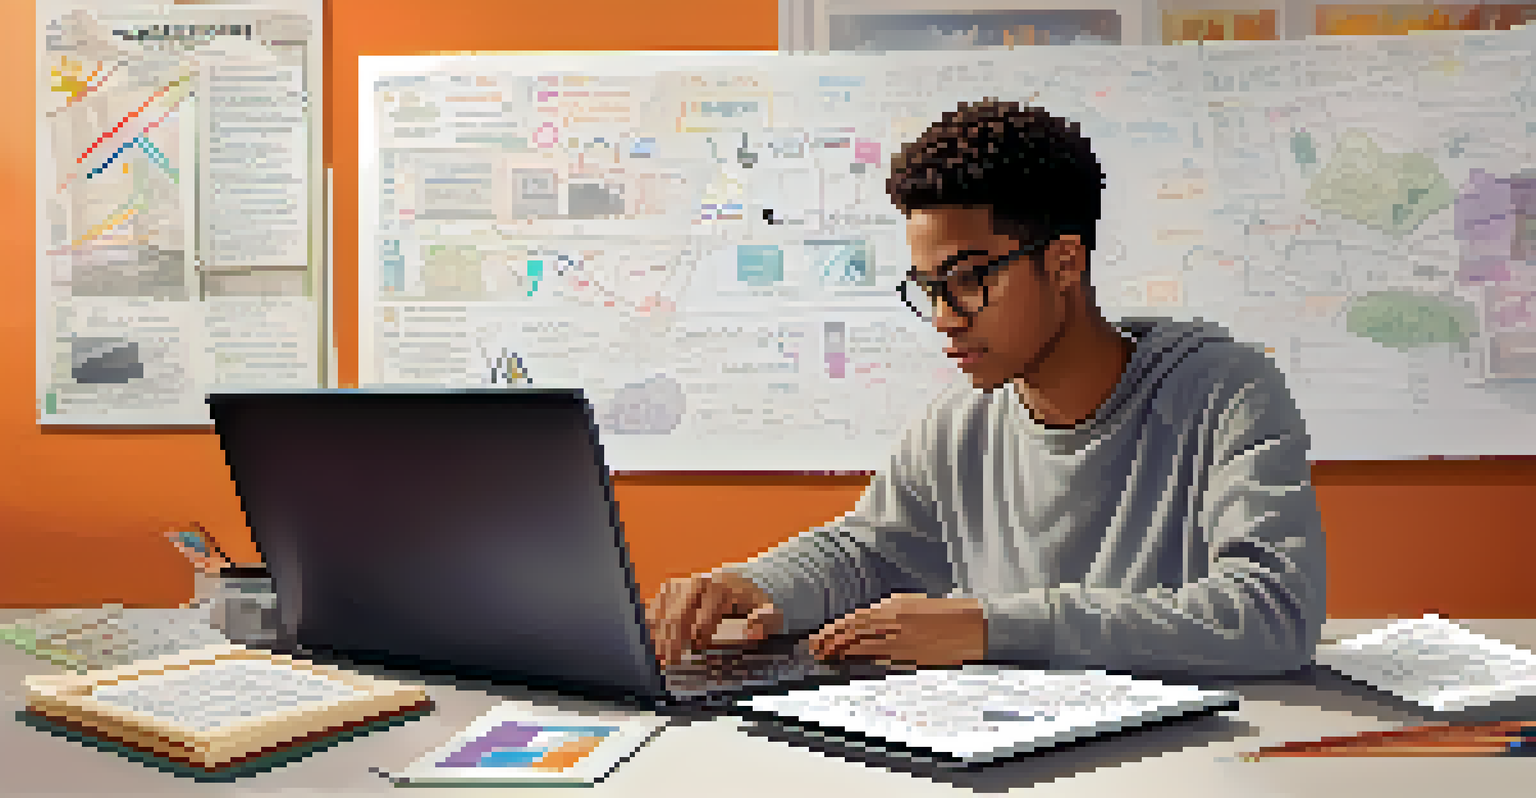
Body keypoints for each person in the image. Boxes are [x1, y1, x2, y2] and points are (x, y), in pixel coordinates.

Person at [645, 98, 1326, 679]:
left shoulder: (1226, 392)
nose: (944, 316)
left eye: (969, 279)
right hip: (1013, 753)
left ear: (1063, 264)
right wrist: (746, 585)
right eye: (929, 287)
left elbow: (1274, 613)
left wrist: (991, 626)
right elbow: (868, 550)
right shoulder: (960, 423)